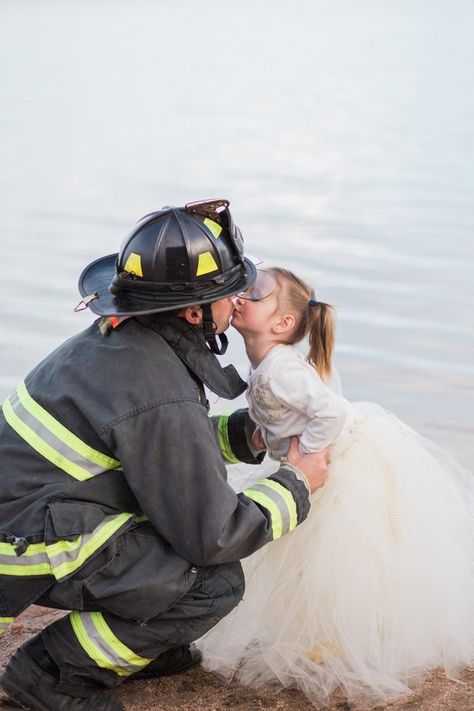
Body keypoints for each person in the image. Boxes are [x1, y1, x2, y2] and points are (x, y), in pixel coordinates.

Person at [0, 203, 328, 711]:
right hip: (23, 539)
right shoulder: (157, 384)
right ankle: (50, 675)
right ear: (195, 311)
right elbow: (213, 533)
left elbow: (153, 446)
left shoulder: (125, 338)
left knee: (172, 543)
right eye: (228, 293)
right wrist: (297, 483)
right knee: (211, 581)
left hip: (28, 510)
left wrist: (249, 435)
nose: (237, 300)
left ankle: (141, 643)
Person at [198, 266, 474, 706]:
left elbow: (331, 413)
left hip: (339, 463)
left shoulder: (281, 371)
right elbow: (281, 413)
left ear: (282, 323)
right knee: (303, 559)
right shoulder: (267, 363)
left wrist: (305, 454)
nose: (241, 296)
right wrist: (262, 436)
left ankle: (343, 639)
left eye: (255, 293)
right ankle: (316, 636)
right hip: (321, 455)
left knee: (336, 560)